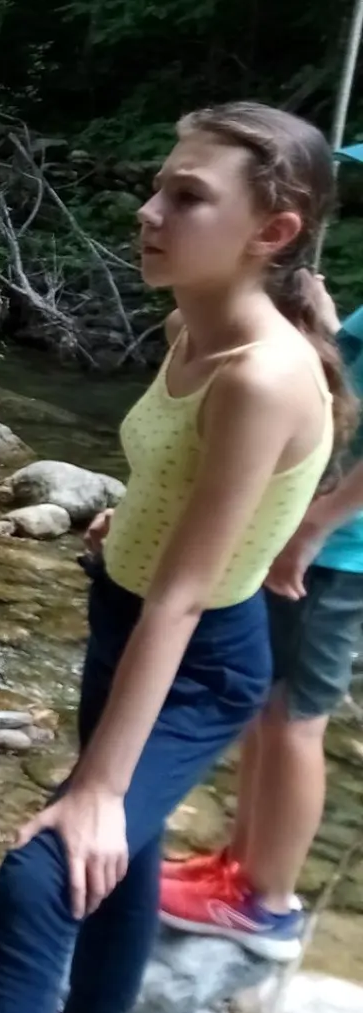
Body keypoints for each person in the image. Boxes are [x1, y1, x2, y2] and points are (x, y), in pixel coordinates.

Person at [0, 102, 345, 1013]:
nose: (150, 212)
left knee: (47, 874)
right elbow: (181, 487)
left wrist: (98, 783)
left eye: (189, 197)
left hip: (195, 656)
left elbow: (193, 593)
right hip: (127, 610)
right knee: (130, 855)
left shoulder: (260, 372)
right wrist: (131, 518)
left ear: (272, 232)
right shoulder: (188, 320)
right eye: (159, 184)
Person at [160, 275, 363, 959]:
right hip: (318, 538)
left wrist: (316, 527)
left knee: (298, 720)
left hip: (337, 553)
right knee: (267, 708)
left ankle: (268, 900)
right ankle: (237, 868)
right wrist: (332, 328)